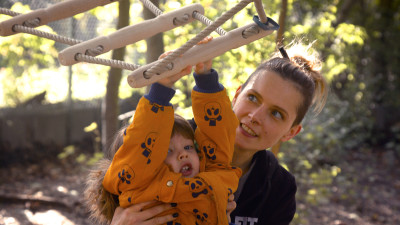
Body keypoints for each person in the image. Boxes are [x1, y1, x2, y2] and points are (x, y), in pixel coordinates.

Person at [85, 41, 328, 225]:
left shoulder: (278, 188)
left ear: (291, 132)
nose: (255, 116)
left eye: (276, 114)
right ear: (236, 95)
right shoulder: (171, 141)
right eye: (253, 98)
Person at [98, 49, 241, 225]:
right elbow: (140, 150)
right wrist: (160, 92)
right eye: (168, 151)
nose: (183, 155)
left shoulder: (212, 174)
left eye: (188, 147)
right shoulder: (143, 188)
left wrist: (206, 80)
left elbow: (218, 137)